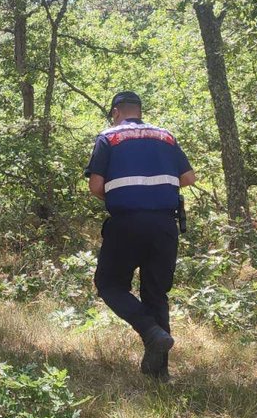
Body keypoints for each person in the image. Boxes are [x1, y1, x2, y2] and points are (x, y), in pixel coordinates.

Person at [84, 91, 196, 380]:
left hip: (127, 224)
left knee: (109, 284)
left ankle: (150, 331)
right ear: (140, 111)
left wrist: (127, 192)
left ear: (116, 113)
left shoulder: (109, 137)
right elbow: (188, 178)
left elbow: (96, 187)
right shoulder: (166, 137)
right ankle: (160, 375)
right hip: (164, 226)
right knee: (156, 293)